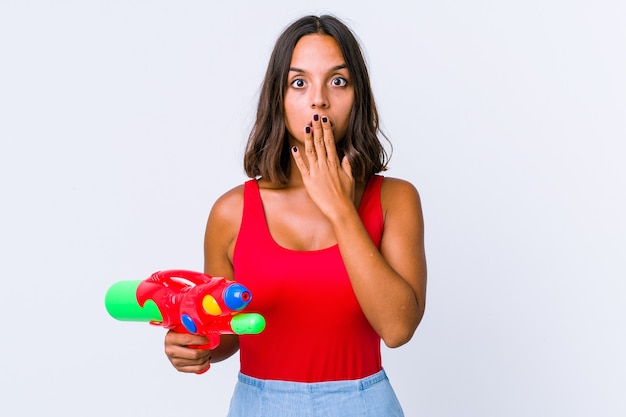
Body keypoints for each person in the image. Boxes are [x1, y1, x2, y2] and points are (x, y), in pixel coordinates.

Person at [164, 14, 427, 417]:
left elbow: (397, 329)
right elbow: (228, 333)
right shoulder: (232, 212)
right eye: (299, 82)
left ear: (358, 95)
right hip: (259, 405)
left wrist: (340, 209)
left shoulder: (396, 199)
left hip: (364, 404)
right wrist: (195, 347)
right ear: (278, 97)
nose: (318, 99)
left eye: (338, 81)